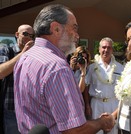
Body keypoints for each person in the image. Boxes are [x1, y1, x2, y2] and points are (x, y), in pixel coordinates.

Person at [13, 4, 114, 134]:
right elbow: (74, 130)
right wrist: (102, 122)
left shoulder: (24, 57)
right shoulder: (57, 68)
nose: (77, 35)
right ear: (56, 29)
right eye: (74, 28)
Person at [0, 24, 34, 134]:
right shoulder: (6, 50)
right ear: (17, 34)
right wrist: (23, 53)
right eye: (25, 34)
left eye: (31, 35)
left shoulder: (33, 56)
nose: (28, 37)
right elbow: (1, 72)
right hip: (11, 110)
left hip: (30, 111)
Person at [86, 37, 124, 134]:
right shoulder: (91, 67)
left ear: (112, 50)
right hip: (96, 104)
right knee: (96, 131)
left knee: (112, 131)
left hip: (113, 104)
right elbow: (86, 87)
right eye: (103, 47)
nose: (106, 50)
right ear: (99, 49)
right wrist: (87, 105)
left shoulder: (120, 68)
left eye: (109, 48)